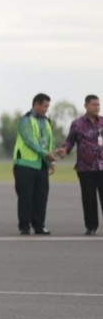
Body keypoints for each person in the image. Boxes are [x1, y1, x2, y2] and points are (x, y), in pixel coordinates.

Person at [57, 95, 103, 235]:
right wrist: (65, 150)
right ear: (86, 106)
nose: (97, 107)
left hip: (102, 166)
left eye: (98, 105)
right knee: (88, 198)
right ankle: (91, 226)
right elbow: (70, 141)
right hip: (85, 168)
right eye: (94, 104)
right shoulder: (77, 124)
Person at [13, 93, 55, 235]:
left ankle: (39, 226)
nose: (46, 109)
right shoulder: (25, 120)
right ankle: (24, 226)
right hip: (25, 165)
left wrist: (50, 162)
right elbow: (30, 141)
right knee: (25, 198)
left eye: (47, 107)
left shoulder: (47, 121)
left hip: (41, 165)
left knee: (41, 197)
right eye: (44, 106)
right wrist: (45, 153)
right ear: (36, 104)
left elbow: (50, 142)